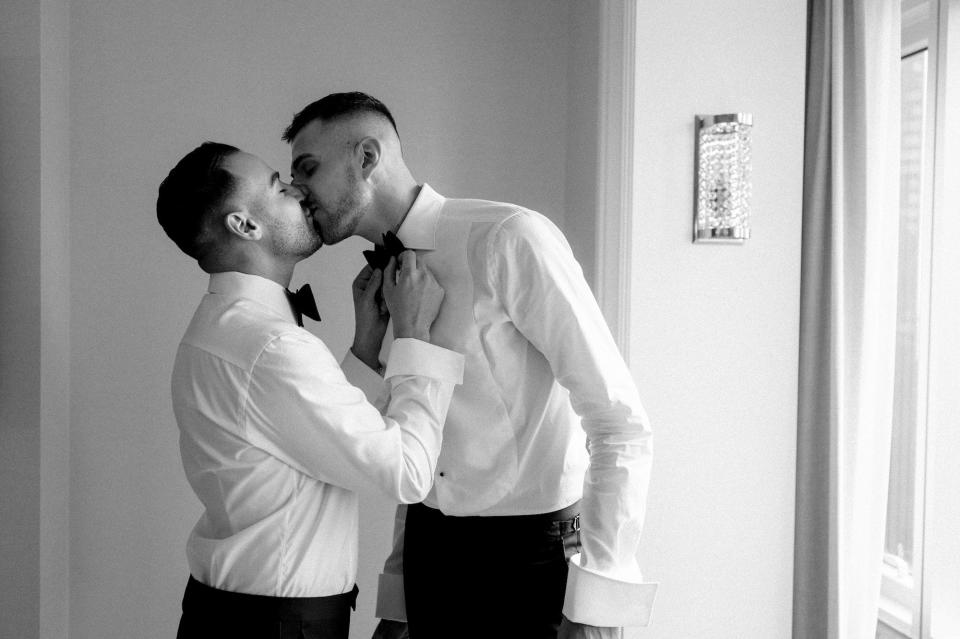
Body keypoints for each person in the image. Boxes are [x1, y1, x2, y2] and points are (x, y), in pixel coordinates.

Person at [284, 93, 657, 639]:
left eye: (308, 169)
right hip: (431, 557)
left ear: (366, 157)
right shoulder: (385, 283)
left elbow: (619, 419)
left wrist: (599, 604)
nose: (297, 191)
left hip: (534, 560)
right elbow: (415, 445)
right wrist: (398, 601)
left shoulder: (509, 239)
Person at [157, 141, 464, 639]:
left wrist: (367, 344)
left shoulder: (222, 327)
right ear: (245, 225)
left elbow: (311, 440)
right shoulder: (271, 346)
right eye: (279, 187)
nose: (299, 190)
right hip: (273, 626)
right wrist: (414, 339)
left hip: (239, 616)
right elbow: (406, 473)